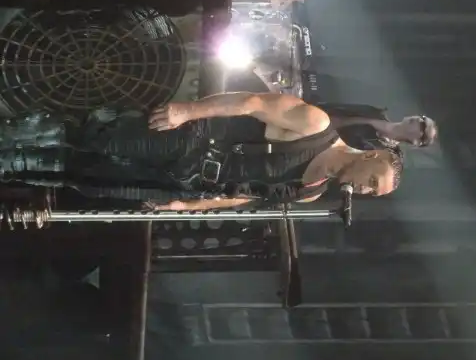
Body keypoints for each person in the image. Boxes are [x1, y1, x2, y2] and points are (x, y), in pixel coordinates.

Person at [0, 92, 404, 211]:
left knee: (85, 177)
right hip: (192, 141)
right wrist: (188, 111)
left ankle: (10, 164)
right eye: (372, 182)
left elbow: (245, 197)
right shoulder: (317, 125)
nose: (364, 190)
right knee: (95, 135)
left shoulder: (311, 192)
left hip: (184, 183)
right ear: (371, 156)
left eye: (372, 192)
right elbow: (252, 102)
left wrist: (188, 206)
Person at [316, 102, 438, 152]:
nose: (418, 119)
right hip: (313, 118)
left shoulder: (380, 151)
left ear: (417, 141)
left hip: (315, 145)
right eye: (422, 117)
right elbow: (335, 107)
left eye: (422, 125)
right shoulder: (376, 112)